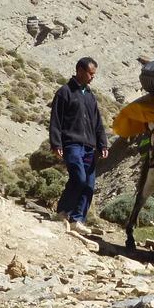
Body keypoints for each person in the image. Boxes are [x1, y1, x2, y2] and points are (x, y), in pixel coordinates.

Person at [49, 57, 108, 235]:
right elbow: (56, 120)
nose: (92, 77)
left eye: (94, 74)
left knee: (89, 184)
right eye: (90, 73)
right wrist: (56, 142)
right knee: (79, 178)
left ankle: (77, 220)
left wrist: (102, 144)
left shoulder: (90, 96)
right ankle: (63, 212)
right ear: (79, 71)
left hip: (90, 146)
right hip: (71, 144)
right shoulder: (64, 92)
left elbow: (97, 122)